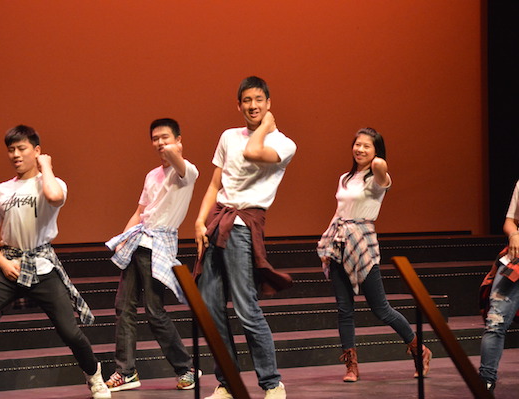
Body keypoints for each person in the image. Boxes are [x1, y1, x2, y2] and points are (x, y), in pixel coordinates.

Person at [0, 125, 110, 399]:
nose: (15, 155)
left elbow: (54, 197)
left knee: (69, 331)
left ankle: (94, 376)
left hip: (42, 265)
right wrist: (2, 264)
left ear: (37, 151)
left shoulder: (52, 182)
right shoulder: (1, 191)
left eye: (22, 148)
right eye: (11, 150)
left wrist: (46, 167)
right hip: (10, 264)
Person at [194, 76, 295, 399]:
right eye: (247, 101)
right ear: (238, 104)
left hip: (243, 225)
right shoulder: (227, 136)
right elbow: (214, 185)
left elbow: (253, 152)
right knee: (210, 307)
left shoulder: (283, 143)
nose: (252, 106)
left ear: (269, 103)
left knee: (245, 306)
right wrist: (198, 221)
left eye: (258, 100)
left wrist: (265, 127)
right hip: (216, 221)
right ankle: (227, 382)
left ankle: (272, 382)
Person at [316, 128, 431, 383]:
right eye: (357, 145)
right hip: (339, 242)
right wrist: (327, 246)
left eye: (366, 146)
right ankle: (351, 366)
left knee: (381, 309)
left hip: (363, 244)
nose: (360, 149)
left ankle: (418, 349)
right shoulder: (345, 178)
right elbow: (339, 212)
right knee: (344, 309)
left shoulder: (378, 179)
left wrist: (377, 157)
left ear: (376, 151)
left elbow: (381, 167)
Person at [104, 118, 200, 392]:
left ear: (180, 140)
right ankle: (126, 372)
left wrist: (172, 149)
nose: (159, 143)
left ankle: (186, 368)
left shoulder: (187, 171)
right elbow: (139, 212)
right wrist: (124, 240)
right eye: (155, 138)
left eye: (165, 137)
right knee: (123, 306)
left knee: (155, 311)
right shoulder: (151, 175)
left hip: (160, 243)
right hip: (139, 240)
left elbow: (177, 161)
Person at [479, 179, 519, 394]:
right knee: (495, 321)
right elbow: (510, 221)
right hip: (517, 259)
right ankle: (485, 382)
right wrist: (514, 234)